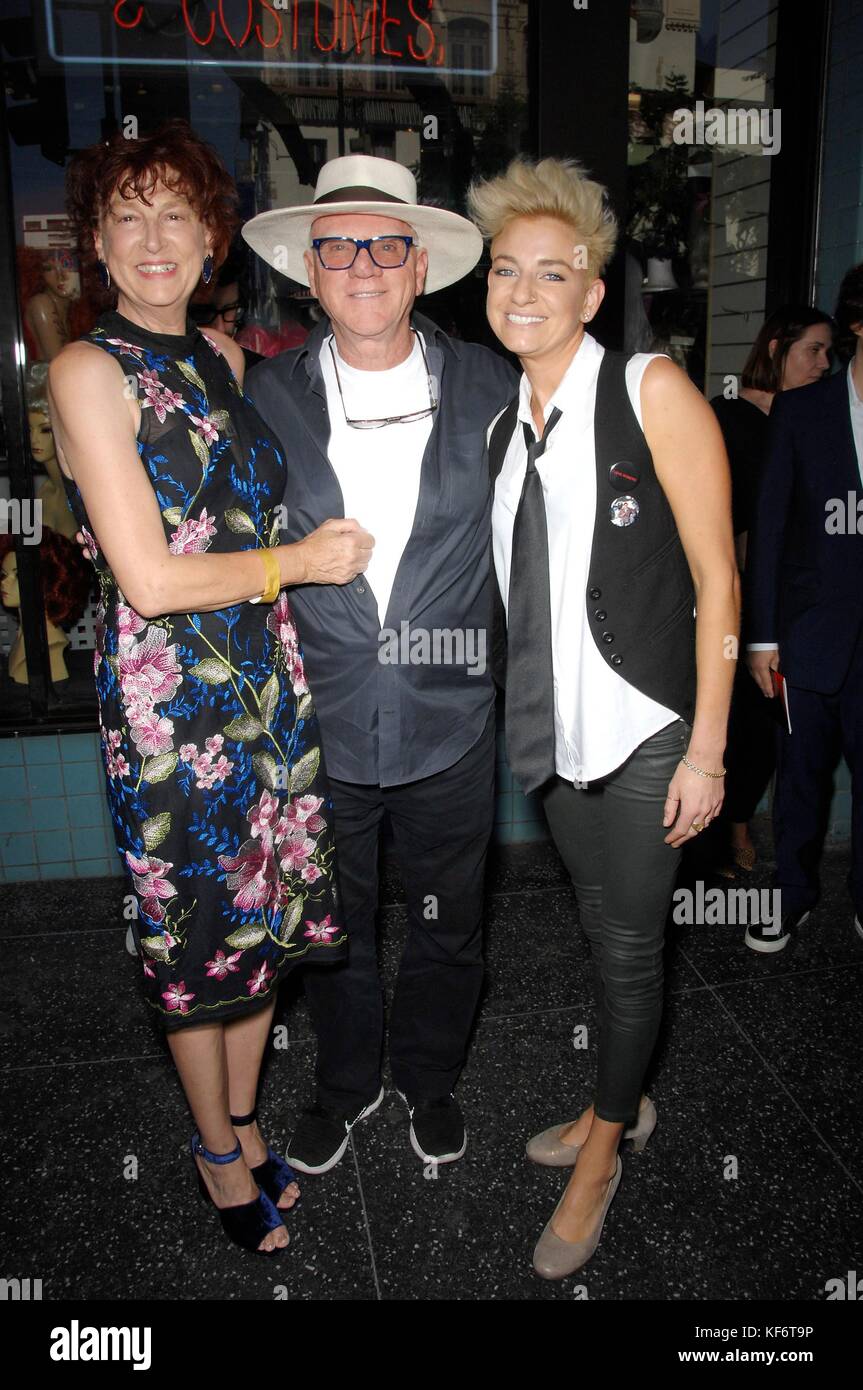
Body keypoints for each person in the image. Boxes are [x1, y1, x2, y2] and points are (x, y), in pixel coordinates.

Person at [50, 120, 372, 1256]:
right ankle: (214, 1152)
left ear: (212, 240)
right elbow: (143, 573)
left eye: (175, 215)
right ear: (95, 239)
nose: (152, 238)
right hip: (172, 705)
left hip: (265, 681)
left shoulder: (227, 360)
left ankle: (240, 1116)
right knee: (197, 938)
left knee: (263, 920)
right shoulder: (89, 370)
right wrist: (300, 564)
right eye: (126, 215)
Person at [468, 156, 739, 1278]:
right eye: (502, 270)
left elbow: (718, 580)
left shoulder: (648, 391)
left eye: (551, 273)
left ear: (591, 292)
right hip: (552, 741)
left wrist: (710, 747)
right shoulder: (498, 433)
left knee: (628, 953)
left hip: (645, 734)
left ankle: (602, 1155)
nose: (521, 291)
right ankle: (612, 1100)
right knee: (600, 934)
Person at [241, 155, 518, 1173]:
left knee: (449, 923)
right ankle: (345, 1082)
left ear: (417, 267)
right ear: (308, 272)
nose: (360, 264)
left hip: (451, 725)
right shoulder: (261, 397)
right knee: (333, 928)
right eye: (337, 246)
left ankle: (429, 1077)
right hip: (319, 724)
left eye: (383, 244)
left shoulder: (495, 385)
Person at [745, 264, 863, 953]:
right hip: (806, 633)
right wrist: (760, 638)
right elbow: (769, 527)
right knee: (799, 781)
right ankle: (790, 896)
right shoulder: (802, 411)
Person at [711, 307, 833, 877]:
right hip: (724, 598)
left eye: (830, 352)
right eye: (813, 349)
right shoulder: (731, 416)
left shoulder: (816, 419)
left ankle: (735, 821)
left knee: (764, 727)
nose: (823, 363)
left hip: (787, 600)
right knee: (723, 719)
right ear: (778, 347)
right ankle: (713, 832)